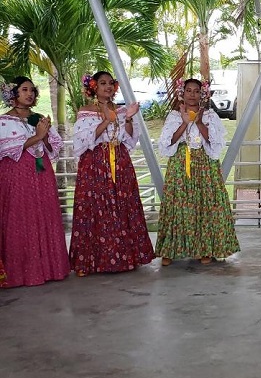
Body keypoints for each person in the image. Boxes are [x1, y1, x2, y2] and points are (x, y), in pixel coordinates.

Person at [69, 71, 155, 276]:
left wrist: (129, 119)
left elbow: (129, 139)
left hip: (120, 162)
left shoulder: (121, 110)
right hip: (95, 164)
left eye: (110, 83)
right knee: (95, 207)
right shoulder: (86, 111)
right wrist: (106, 120)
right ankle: (88, 262)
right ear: (94, 87)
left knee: (121, 205)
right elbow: (83, 141)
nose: (107, 87)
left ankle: (125, 258)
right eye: (102, 83)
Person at [155, 78, 239, 265]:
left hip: (204, 164)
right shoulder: (174, 116)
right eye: (189, 90)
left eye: (196, 91)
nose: (192, 94)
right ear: (182, 93)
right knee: (177, 204)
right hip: (180, 164)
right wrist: (184, 123)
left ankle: (205, 248)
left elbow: (216, 143)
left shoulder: (210, 116)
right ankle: (170, 250)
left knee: (204, 204)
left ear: (202, 95)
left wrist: (199, 122)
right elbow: (167, 142)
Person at [0, 76, 70, 287]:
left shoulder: (38, 118)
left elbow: (52, 149)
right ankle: (21, 272)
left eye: (32, 90)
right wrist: (39, 135)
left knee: (45, 214)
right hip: (17, 175)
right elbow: (8, 149)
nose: (29, 94)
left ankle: (50, 269)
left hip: (41, 174)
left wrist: (45, 134)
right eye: (24, 90)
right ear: (13, 95)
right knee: (21, 216)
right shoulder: (4, 121)